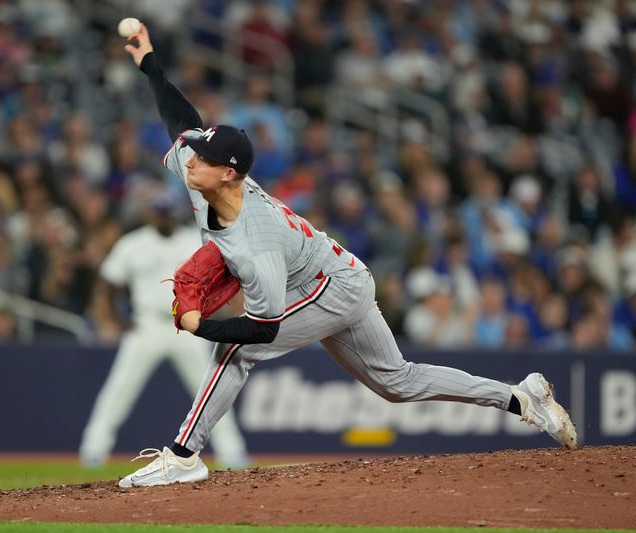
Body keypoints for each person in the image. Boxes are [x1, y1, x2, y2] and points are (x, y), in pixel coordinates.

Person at [117, 23, 577, 488]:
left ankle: (183, 455)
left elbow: (265, 327)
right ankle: (521, 399)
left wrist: (201, 326)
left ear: (229, 175)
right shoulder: (202, 177)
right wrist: (149, 63)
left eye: (203, 157)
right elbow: (181, 121)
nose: (189, 159)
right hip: (339, 274)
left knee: (235, 348)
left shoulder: (258, 243)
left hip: (328, 287)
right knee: (398, 382)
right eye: (194, 154)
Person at [78, 192, 250, 470]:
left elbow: (223, 276)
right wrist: (116, 319)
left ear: (175, 214)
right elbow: (108, 282)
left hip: (189, 326)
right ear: (151, 214)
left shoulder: (192, 241)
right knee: (119, 389)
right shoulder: (133, 243)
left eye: (167, 212)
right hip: (147, 325)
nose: (164, 217)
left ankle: (233, 452)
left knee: (211, 390)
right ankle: (94, 448)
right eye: (159, 212)